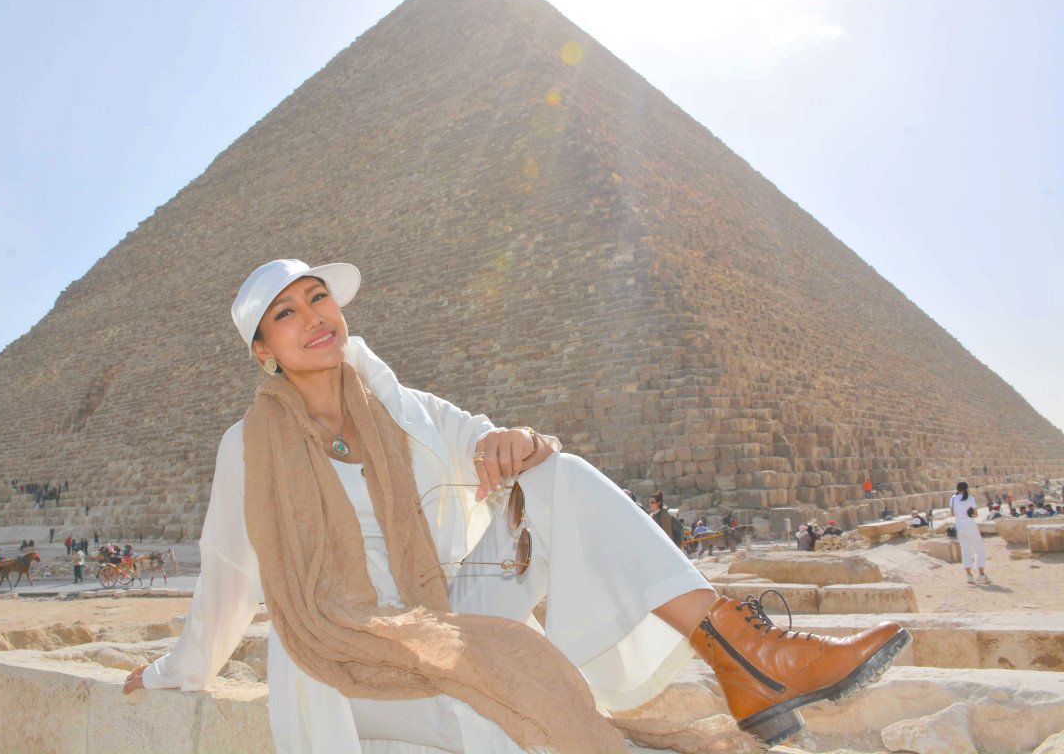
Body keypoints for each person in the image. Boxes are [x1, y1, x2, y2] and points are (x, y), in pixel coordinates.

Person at [122, 258, 909, 752]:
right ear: (262, 350)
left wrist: (519, 440)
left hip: (440, 608)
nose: (312, 317)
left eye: (317, 297)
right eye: (285, 313)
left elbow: (490, 439)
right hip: (345, 656)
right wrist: (170, 670)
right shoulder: (249, 447)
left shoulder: (396, 406)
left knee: (558, 475)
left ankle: (742, 651)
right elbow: (228, 579)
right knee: (497, 706)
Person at [950, 481, 989, 584]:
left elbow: (952, 513)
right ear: (967, 489)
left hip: (959, 527)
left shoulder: (953, 498)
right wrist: (969, 513)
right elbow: (976, 515)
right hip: (970, 526)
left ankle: (969, 576)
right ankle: (981, 574)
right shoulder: (970, 498)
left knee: (965, 550)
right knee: (979, 549)